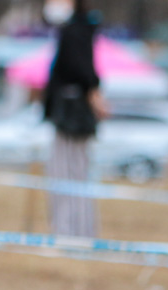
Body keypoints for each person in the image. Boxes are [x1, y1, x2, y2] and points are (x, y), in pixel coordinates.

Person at [42, 0, 106, 237]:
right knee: (73, 174)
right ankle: (75, 230)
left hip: (71, 119)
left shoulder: (75, 31)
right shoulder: (77, 30)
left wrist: (96, 96)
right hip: (71, 117)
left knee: (69, 175)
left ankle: (70, 232)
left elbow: (85, 72)